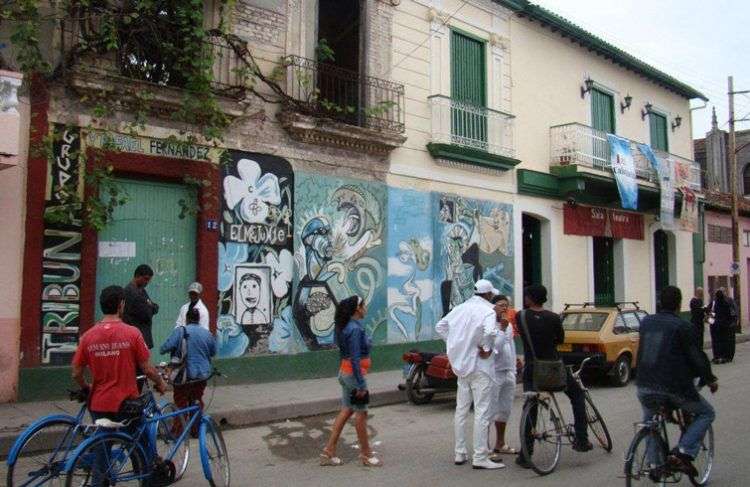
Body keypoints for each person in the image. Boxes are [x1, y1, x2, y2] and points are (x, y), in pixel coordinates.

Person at [636, 286, 718, 477]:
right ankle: (683, 452)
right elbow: (696, 357)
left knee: (649, 421)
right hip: (672, 388)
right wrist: (710, 379)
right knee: (707, 413)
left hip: (643, 385)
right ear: (679, 304)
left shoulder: (646, 322)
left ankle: (655, 465)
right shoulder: (683, 327)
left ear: (659, 302)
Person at [517, 284, 591, 469]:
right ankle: (582, 439)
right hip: (554, 368)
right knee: (577, 396)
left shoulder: (522, 316)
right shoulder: (554, 318)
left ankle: (526, 454)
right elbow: (560, 340)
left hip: (533, 370)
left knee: (531, 408)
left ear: (530, 298)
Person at [435, 279, 504, 470]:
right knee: (482, 411)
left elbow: (440, 327)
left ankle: (460, 452)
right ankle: (480, 456)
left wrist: (458, 345)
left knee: (461, 410)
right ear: (489, 294)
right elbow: (491, 332)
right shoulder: (488, 311)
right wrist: (488, 347)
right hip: (481, 366)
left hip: (462, 366)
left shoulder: (460, 308)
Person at [72, 285, 167, 422]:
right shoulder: (133, 334)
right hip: (127, 405)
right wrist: (160, 382)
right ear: (121, 304)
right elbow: (147, 369)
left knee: (103, 441)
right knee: (142, 441)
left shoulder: (87, 337)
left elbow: (76, 373)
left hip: (99, 404)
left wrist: (86, 387)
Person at [320, 296, 381, 467]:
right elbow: (355, 358)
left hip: (345, 373)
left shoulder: (344, 326)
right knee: (361, 414)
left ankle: (328, 452)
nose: (366, 308)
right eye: (364, 305)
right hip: (354, 377)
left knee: (346, 410)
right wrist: (361, 384)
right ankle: (366, 455)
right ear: (357, 309)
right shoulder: (354, 329)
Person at [161, 307, 216, 419]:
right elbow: (213, 352)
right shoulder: (207, 334)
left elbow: (164, 349)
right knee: (196, 400)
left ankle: (180, 432)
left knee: (180, 403)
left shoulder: (180, 331)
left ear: (186, 319)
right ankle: (196, 430)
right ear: (199, 319)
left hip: (184, 376)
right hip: (202, 376)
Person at [489, 295, 518, 459]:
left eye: (506, 305)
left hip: (508, 371)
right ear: (493, 307)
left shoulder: (507, 325)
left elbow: (510, 346)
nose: (504, 308)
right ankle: (484, 448)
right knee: (489, 410)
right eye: (500, 305)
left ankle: (500, 443)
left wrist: (513, 369)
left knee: (504, 410)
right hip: (494, 372)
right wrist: (501, 328)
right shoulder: (490, 325)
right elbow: (496, 348)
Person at [123, 264, 159, 349]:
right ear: (137, 276)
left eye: (148, 280)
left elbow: (155, 307)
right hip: (136, 337)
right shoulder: (132, 293)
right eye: (145, 279)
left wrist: (151, 306)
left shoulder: (141, 291)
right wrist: (150, 307)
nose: (147, 282)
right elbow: (147, 314)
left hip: (141, 337)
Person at [708, 288, 733, 364]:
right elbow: (729, 315)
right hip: (724, 325)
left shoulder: (714, 303)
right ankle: (723, 356)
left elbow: (710, 312)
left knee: (716, 341)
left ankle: (717, 356)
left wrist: (711, 320)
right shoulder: (726, 303)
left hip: (715, 325)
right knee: (724, 341)